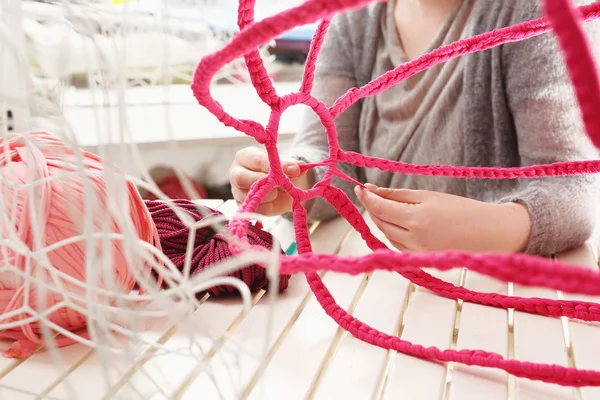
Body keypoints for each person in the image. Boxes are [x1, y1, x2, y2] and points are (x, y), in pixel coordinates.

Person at [228, 0, 600, 255]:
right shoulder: (350, 22)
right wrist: (294, 179)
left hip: (500, 296)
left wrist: (489, 228)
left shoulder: (538, 15)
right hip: (383, 286)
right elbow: (327, 160)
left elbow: (573, 188)